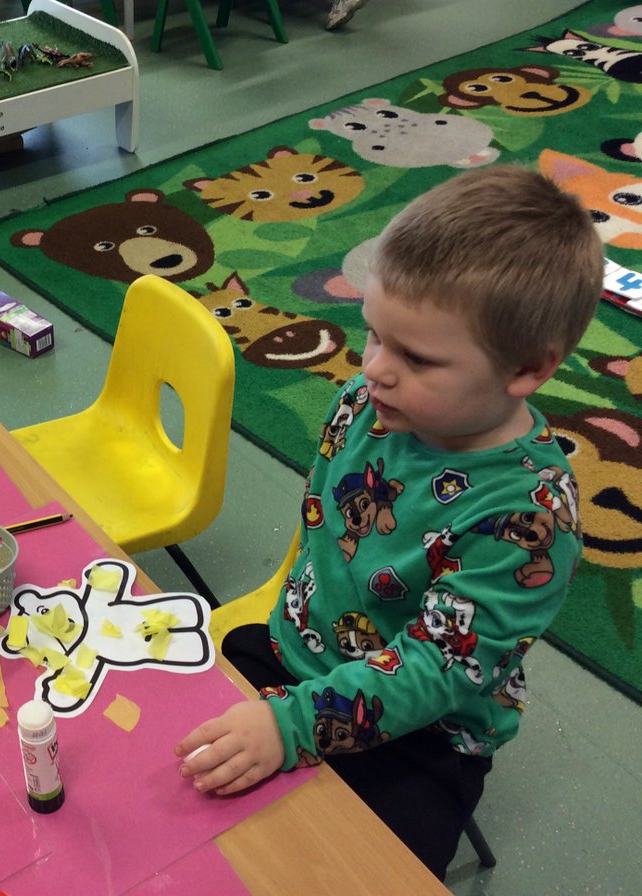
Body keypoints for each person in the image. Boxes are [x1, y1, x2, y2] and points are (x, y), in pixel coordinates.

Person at [175, 165, 603, 878]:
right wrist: (289, 705)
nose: (373, 370)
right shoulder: (370, 400)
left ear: (527, 369)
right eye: (373, 335)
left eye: (415, 357)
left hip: (424, 736)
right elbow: (329, 539)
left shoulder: (529, 517)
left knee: (355, 873)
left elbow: (437, 668)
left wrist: (292, 725)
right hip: (293, 652)